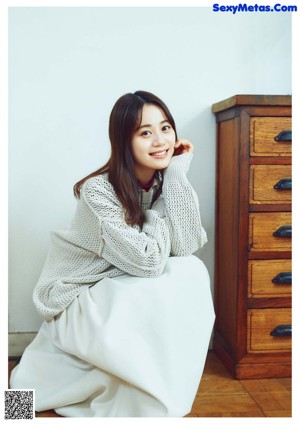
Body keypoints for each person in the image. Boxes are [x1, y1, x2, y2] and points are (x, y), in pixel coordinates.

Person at [10, 90, 215, 417]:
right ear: (124, 142)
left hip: (118, 284)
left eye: (165, 128)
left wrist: (177, 174)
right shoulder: (98, 191)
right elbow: (148, 263)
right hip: (77, 293)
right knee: (166, 276)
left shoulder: (165, 180)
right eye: (145, 133)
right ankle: (17, 405)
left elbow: (186, 245)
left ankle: (157, 384)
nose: (160, 140)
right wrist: (160, 210)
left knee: (189, 270)